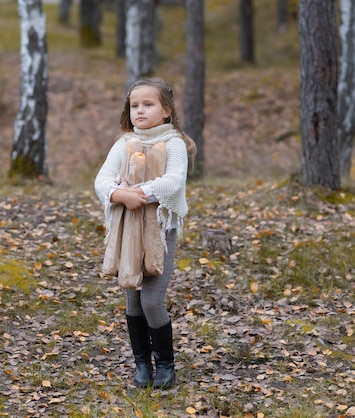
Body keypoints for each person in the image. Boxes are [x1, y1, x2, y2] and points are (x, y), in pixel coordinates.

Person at [94, 78, 196, 389]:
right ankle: (142, 363)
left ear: (166, 111)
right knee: (133, 300)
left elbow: (174, 181)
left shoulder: (175, 143)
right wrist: (117, 195)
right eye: (134, 105)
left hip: (159, 230)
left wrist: (139, 191)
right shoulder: (123, 143)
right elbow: (101, 180)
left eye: (148, 104)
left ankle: (165, 363)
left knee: (152, 301)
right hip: (127, 231)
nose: (140, 110)